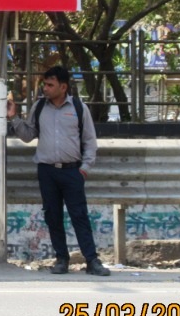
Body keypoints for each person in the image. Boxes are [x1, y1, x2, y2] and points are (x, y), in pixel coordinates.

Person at [7, 65, 110, 276]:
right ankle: (61, 259)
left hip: (72, 172)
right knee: (52, 216)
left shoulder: (80, 108)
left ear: (63, 87)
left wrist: (85, 169)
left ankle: (92, 260)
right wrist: (13, 118)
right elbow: (28, 136)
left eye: (50, 85)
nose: (45, 88)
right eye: (45, 84)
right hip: (47, 171)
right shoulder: (39, 107)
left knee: (79, 215)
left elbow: (90, 141)